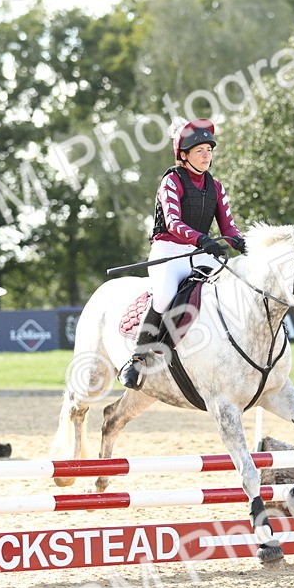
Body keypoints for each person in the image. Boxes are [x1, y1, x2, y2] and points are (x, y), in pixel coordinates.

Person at [120, 118, 247, 389]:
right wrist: (203, 239)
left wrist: (240, 242)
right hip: (169, 249)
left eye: (209, 150)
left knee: (231, 286)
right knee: (165, 295)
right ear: (184, 155)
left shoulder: (216, 186)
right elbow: (174, 224)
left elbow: (228, 225)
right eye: (200, 150)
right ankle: (137, 359)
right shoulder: (171, 181)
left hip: (199, 251)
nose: (206, 155)